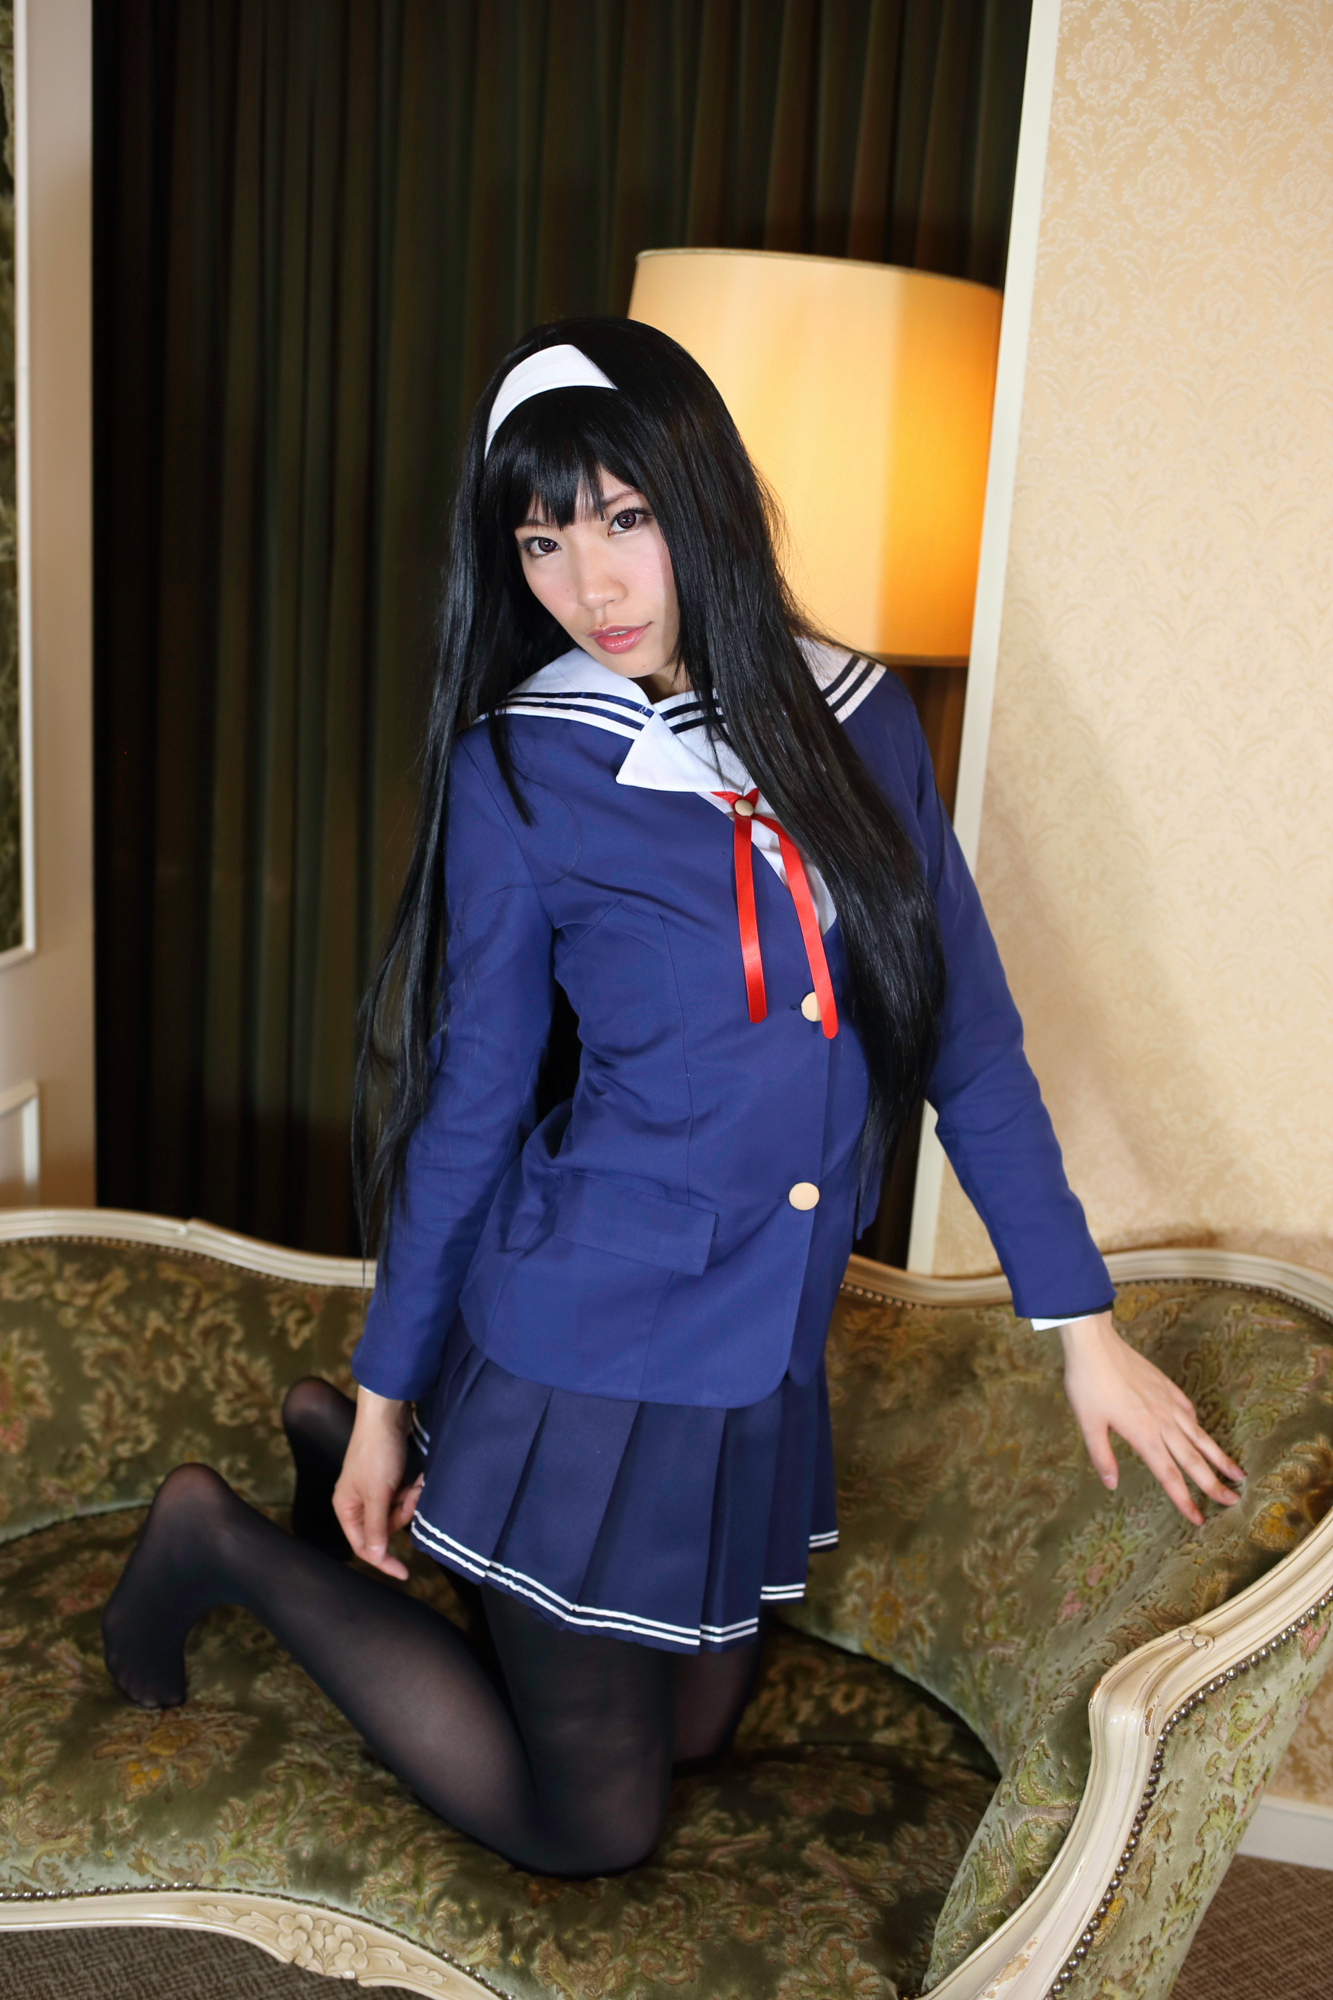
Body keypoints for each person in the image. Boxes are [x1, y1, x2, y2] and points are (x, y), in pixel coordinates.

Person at [102, 317, 1245, 1877]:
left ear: (699, 495)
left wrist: (1081, 1330)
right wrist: (384, 1397)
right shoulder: (523, 767)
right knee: (595, 1825)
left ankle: (358, 1469)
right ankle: (219, 1539)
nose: (592, 586)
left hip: (756, 1353)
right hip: (588, 1342)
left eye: (623, 518)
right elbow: (475, 1104)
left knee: (694, 1734)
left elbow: (963, 1037)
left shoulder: (859, 718)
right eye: (542, 542)